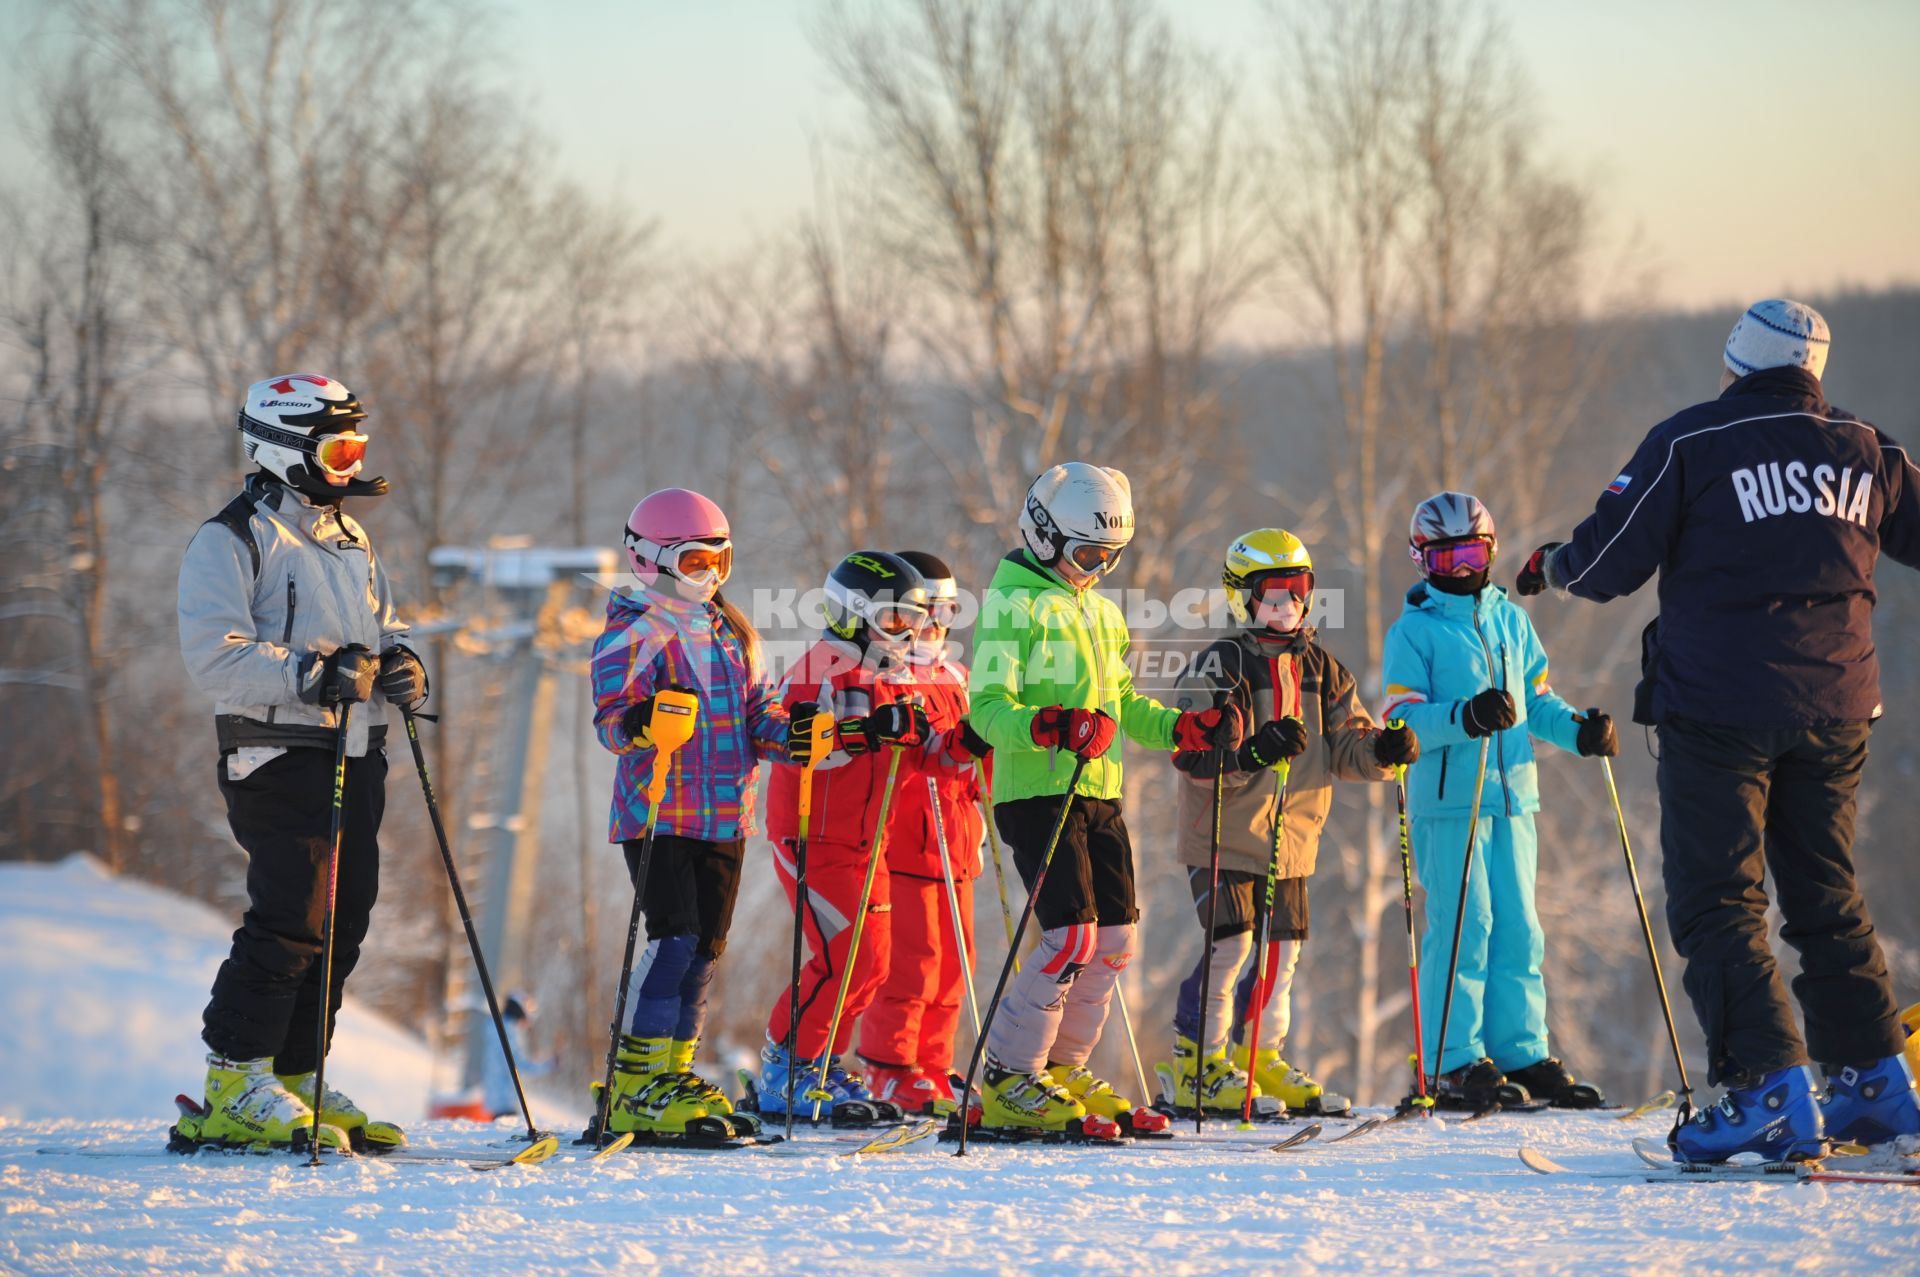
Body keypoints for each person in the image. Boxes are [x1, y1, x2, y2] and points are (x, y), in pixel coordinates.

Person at [1514, 299, 1920, 1160]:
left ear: (1736, 362)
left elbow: (1606, 559)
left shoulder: (1692, 441)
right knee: (1826, 893)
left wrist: (1551, 564)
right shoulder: (1868, 446)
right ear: (1813, 371)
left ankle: (1768, 1092)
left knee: (1718, 900)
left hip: (1720, 710)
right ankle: (1872, 1087)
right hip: (1840, 707)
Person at [176, 374, 424, 1151]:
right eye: (337, 449)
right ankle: (234, 1077)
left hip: (356, 749)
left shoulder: (352, 540)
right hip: (276, 752)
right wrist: (312, 675)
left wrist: (399, 660)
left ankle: (294, 1072)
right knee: (292, 916)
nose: (351, 464)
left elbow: (381, 626)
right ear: (282, 449)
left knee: (345, 918)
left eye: (357, 448)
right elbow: (213, 656)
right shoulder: (234, 538)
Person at [966, 462, 1245, 1138]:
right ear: (1042, 534)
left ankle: (1060, 1068)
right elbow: (985, 709)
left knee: (1115, 939)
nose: (1095, 569)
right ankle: (1009, 1076)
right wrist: (1047, 724)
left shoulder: (1098, 610)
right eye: (1087, 554)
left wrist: (1180, 727)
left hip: (1098, 789)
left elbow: (1119, 704)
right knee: (1071, 936)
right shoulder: (1013, 605)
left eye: (1109, 558)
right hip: (1036, 790)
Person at [1163, 529, 1417, 1117]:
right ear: (1242, 599)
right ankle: (1196, 1063)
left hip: (1293, 840)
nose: (1288, 607)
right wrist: (1252, 749)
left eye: (1299, 593)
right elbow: (1191, 751)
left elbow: (1347, 744)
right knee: (1230, 944)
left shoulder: (1322, 669)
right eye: (1271, 596)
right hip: (1224, 832)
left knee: (1282, 952)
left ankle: (1260, 1056)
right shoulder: (1222, 663)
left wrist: (1384, 751)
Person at [1380, 492, 1615, 1111]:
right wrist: (1465, 715)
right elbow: (1401, 720)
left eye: (1472, 553)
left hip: (1514, 799)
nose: (1461, 568)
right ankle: (1452, 1058)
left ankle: (1520, 1050)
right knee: (1466, 926)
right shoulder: (1415, 632)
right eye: (1447, 555)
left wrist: (1578, 730)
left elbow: (1537, 698)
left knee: (1519, 928)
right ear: (1422, 558)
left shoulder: (1511, 620)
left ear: (1490, 551)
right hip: (1450, 801)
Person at [589, 487, 797, 1138]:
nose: (709, 574)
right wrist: (645, 722)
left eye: (720, 559)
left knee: (705, 949)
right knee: (673, 940)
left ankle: (671, 1071)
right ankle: (636, 1082)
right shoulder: (635, 627)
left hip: (726, 813)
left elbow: (758, 712)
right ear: (650, 560)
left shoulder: (734, 628)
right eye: (694, 561)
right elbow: (611, 719)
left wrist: (791, 734)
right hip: (658, 811)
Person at [756, 551, 985, 1122]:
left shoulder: (893, 677)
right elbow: (803, 748)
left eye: (915, 621)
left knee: (873, 963)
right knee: (844, 958)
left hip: (868, 843)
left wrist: (964, 744)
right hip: (814, 837)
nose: (908, 635)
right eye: (895, 621)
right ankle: (788, 1065)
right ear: (853, 614)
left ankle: (824, 1064)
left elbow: (925, 758)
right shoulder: (820, 668)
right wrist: (870, 731)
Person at [858, 551, 990, 1115]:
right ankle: (890, 1066)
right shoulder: (891, 674)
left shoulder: (957, 675)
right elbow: (908, 760)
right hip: (909, 838)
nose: (934, 627)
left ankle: (934, 1065)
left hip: (958, 842)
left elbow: (972, 760)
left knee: (957, 965)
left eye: (946, 614)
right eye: (925, 613)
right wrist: (952, 749)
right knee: (914, 961)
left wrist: (987, 756)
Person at [479, 993, 553, 1122]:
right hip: (505, 1100)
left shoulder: (497, 1028)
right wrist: (548, 1064)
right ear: (520, 1013)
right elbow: (518, 1064)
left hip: (497, 1098)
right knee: (508, 1135)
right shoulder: (509, 1033)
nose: (528, 1022)